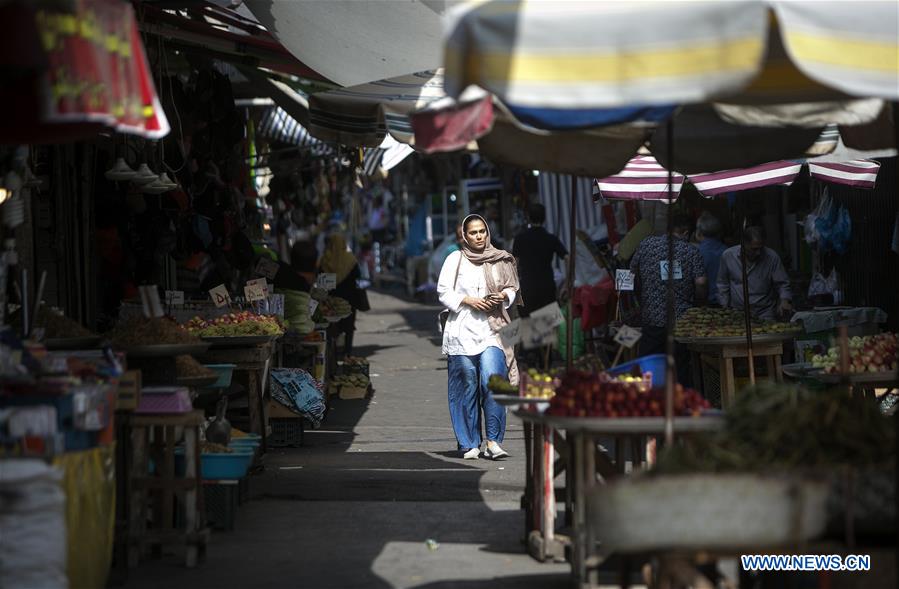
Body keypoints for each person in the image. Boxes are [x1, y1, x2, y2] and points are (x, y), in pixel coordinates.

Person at [437, 214, 520, 460]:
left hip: (492, 330)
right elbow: (443, 291)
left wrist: (503, 297)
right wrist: (468, 300)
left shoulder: (499, 258)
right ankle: (469, 442)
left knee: (492, 379)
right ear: (464, 235)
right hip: (462, 331)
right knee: (466, 386)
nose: (478, 236)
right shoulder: (455, 259)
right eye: (473, 232)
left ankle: (493, 440)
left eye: (482, 231)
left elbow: (511, 287)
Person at [629, 213, 707, 357]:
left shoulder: (646, 244)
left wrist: (641, 300)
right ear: (686, 233)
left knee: (650, 363)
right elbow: (701, 283)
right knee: (680, 366)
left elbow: (632, 274)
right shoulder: (691, 251)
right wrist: (699, 304)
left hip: (652, 317)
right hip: (681, 320)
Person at [717, 226, 793, 320]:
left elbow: (782, 283)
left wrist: (784, 300)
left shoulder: (772, 257)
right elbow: (723, 283)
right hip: (737, 312)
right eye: (754, 249)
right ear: (743, 244)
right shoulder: (728, 256)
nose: (758, 253)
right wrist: (725, 306)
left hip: (765, 312)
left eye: (761, 248)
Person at [512, 203, 568, 317]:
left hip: (527, 289)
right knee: (548, 329)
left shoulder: (519, 239)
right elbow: (568, 258)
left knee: (528, 327)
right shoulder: (551, 238)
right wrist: (567, 283)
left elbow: (514, 265)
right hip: (547, 288)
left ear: (528, 217)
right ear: (544, 218)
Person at [319, 233, 365, 357]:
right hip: (349, 300)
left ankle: (331, 352)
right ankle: (347, 352)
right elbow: (358, 276)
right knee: (348, 327)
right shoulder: (350, 260)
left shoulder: (325, 259)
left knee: (332, 327)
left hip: (330, 300)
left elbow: (320, 279)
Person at [695, 212, 728, 306]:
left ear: (699, 232)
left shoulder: (696, 252)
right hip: (725, 302)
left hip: (704, 303)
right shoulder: (728, 251)